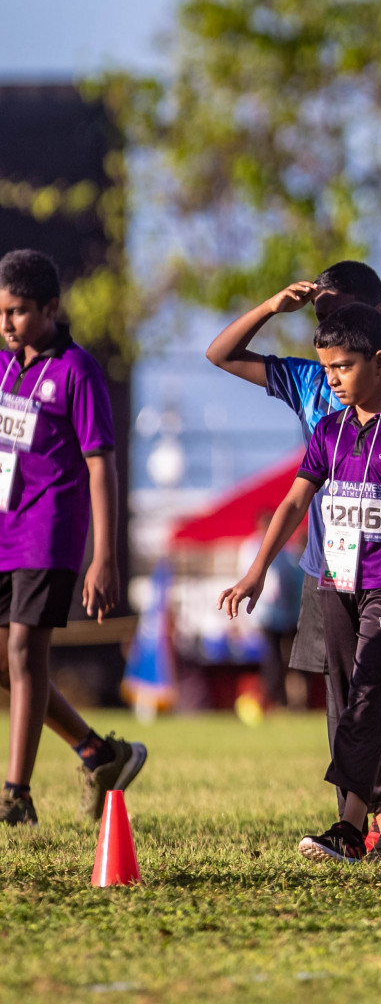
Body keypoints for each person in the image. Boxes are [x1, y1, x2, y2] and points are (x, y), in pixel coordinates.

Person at [205, 260, 381, 845]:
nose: (328, 337)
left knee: (372, 692)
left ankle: (368, 823)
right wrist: (271, 309)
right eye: (320, 322)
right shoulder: (313, 381)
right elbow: (220, 355)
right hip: (327, 569)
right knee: (345, 696)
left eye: (342, 320)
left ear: (377, 324)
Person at [0, 249, 145, 826]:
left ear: (52, 308)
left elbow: (101, 465)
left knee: (23, 653)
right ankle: (99, 753)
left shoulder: (77, 370)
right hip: (5, 530)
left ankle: (16, 796)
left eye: (18, 311)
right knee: (6, 665)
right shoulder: (7, 367)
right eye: (1, 312)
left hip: (48, 531)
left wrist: (104, 556)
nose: (7, 323)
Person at [239, 510, 303, 709]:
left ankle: (283, 700)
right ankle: (275, 700)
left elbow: (288, 581)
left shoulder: (283, 549)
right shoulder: (253, 548)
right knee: (275, 659)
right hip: (267, 614)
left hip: (284, 614)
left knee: (286, 660)